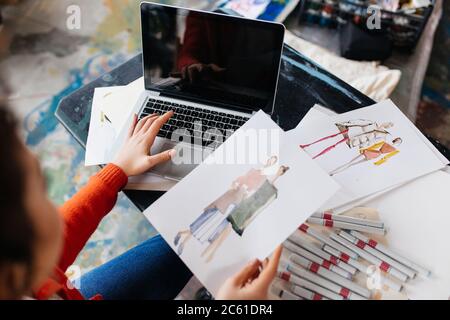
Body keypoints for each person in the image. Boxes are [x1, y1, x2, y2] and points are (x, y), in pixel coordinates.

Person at [0, 104, 282, 300]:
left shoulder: (17, 265)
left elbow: (59, 235)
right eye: (41, 187)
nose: (53, 205)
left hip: (64, 291)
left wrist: (115, 172)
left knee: (183, 243)